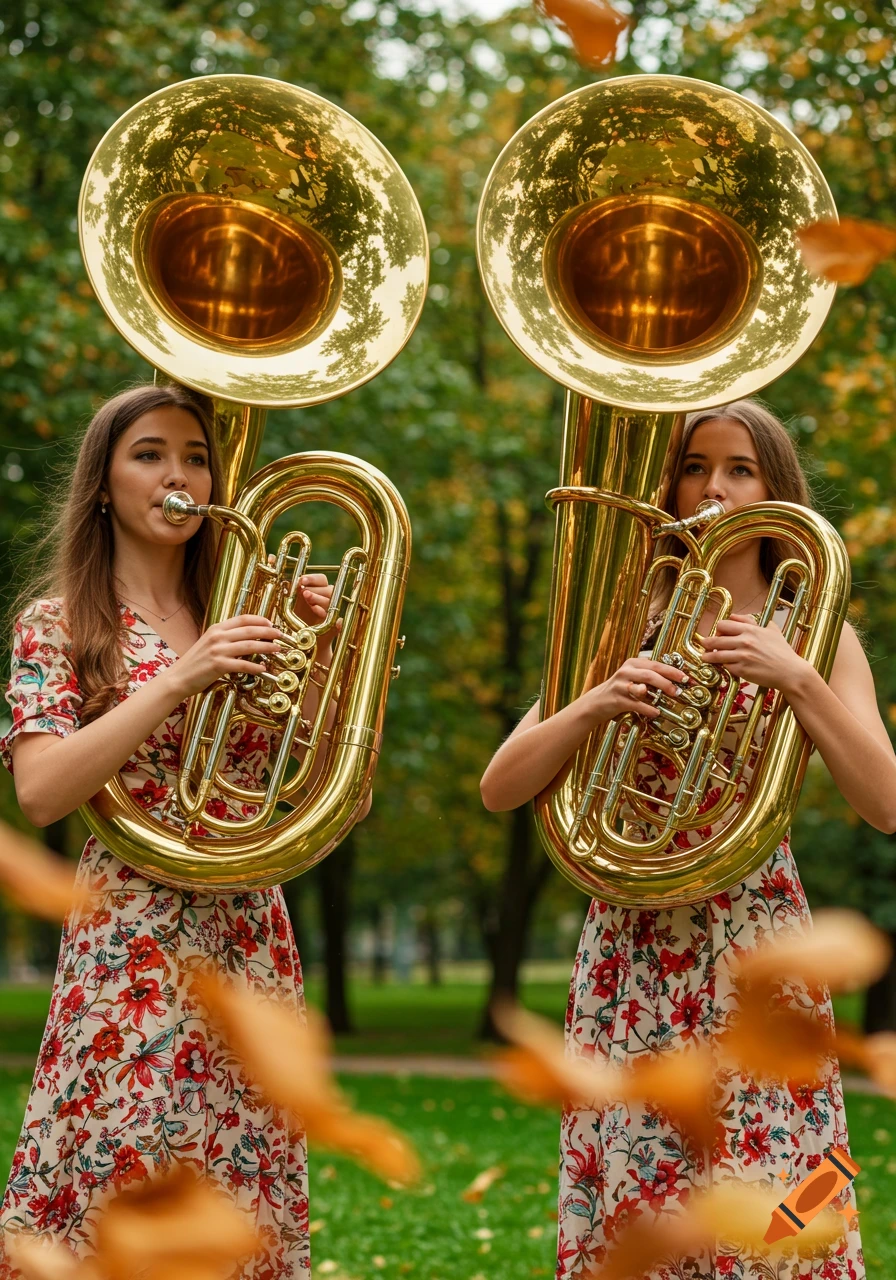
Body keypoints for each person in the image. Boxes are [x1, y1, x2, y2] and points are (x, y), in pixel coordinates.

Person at [480, 399, 896, 1280]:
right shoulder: (621, 618)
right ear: (667, 486)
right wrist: (594, 700)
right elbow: (500, 785)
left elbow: (886, 803)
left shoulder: (816, 631)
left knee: (786, 1187)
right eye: (695, 467)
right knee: (640, 1188)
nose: (714, 488)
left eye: (740, 468)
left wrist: (798, 680)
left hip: (759, 940)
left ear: (774, 488)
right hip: (630, 949)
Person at [0, 383, 348, 1278]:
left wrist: (319, 650)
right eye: (149, 454)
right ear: (103, 483)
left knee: (242, 1175)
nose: (178, 474)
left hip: (248, 925)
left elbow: (316, 772)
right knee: (125, 1159)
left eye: (196, 456)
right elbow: (41, 791)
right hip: (133, 929)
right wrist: (176, 680)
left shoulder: (248, 617)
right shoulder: (58, 622)